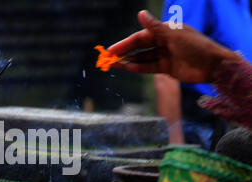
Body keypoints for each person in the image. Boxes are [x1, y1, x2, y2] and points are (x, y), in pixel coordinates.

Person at [108, 10, 252, 131]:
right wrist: (175, 140)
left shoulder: (241, 4)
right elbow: (170, 61)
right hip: (200, 120)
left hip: (231, 115)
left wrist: (227, 70)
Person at [154, 0, 252, 149]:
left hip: (236, 123)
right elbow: (166, 71)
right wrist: (176, 145)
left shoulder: (241, 3)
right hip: (201, 125)